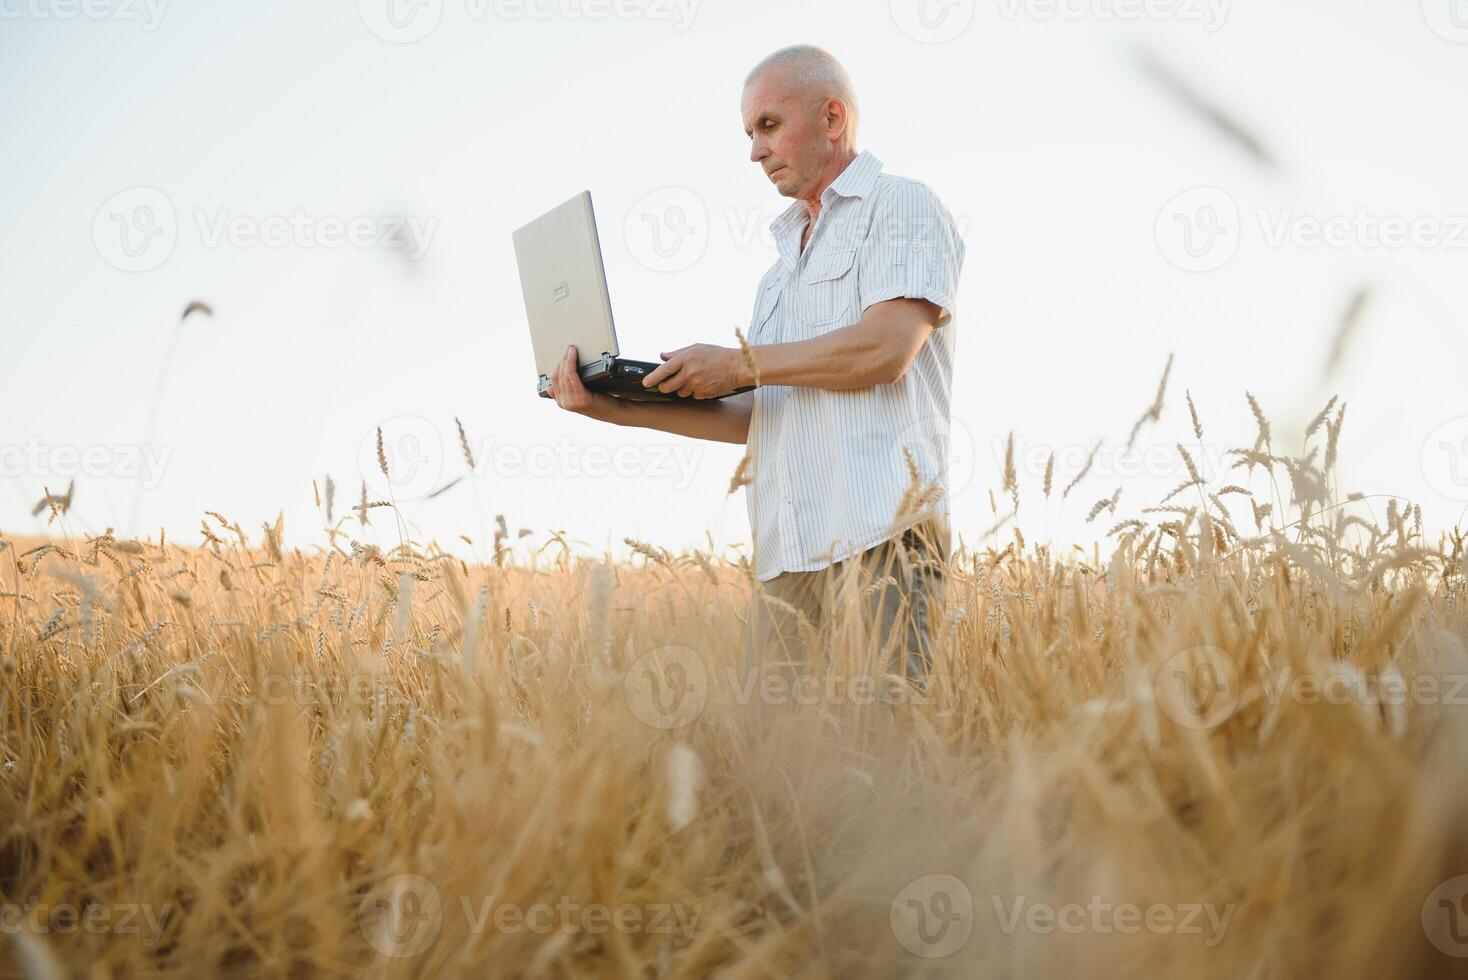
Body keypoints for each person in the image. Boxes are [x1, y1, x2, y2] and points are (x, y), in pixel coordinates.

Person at [545, 44, 965, 690]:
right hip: (787, 558)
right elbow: (763, 416)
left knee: (888, 756)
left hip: (885, 537)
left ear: (831, 119)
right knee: (777, 771)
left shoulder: (901, 207)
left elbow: (886, 349)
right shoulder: (776, 276)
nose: (753, 152)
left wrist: (740, 364)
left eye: (768, 126)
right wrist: (617, 406)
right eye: (748, 133)